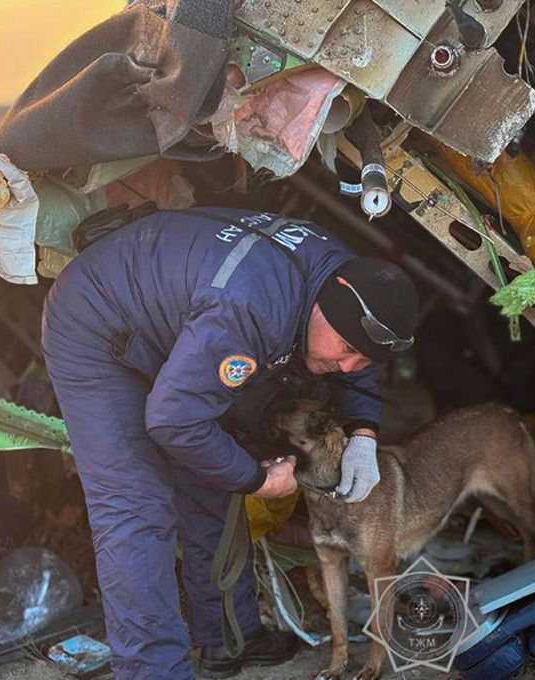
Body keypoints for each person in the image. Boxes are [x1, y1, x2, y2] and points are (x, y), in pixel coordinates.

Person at [40, 207, 421, 680]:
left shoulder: (345, 277)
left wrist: (364, 431)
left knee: (209, 479)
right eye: (346, 351)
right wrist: (258, 479)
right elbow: (174, 421)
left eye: (362, 359)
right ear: (326, 308)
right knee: (134, 506)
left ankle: (229, 639)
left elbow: (354, 364)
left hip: (173, 319)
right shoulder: (250, 310)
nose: (348, 367)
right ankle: (153, 672)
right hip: (96, 325)